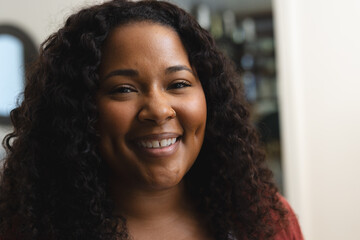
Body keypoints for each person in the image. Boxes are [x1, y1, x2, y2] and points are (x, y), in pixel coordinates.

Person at [0, 0, 303, 239]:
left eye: (179, 84)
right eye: (123, 89)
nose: (159, 110)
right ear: (78, 110)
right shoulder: (25, 229)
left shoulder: (265, 219)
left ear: (209, 96)